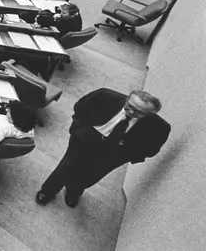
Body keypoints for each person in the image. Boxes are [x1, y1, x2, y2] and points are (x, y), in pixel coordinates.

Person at [36, 89, 170, 208]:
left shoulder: (159, 127)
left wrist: (125, 155)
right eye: (130, 106)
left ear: (150, 114)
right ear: (128, 98)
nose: (131, 112)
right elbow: (80, 108)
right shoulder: (105, 96)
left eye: (139, 113)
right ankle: (47, 191)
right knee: (67, 166)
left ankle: (73, 193)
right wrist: (79, 131)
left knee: (90, 177)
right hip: (85, 140)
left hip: (113, 153)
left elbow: (151, 149)